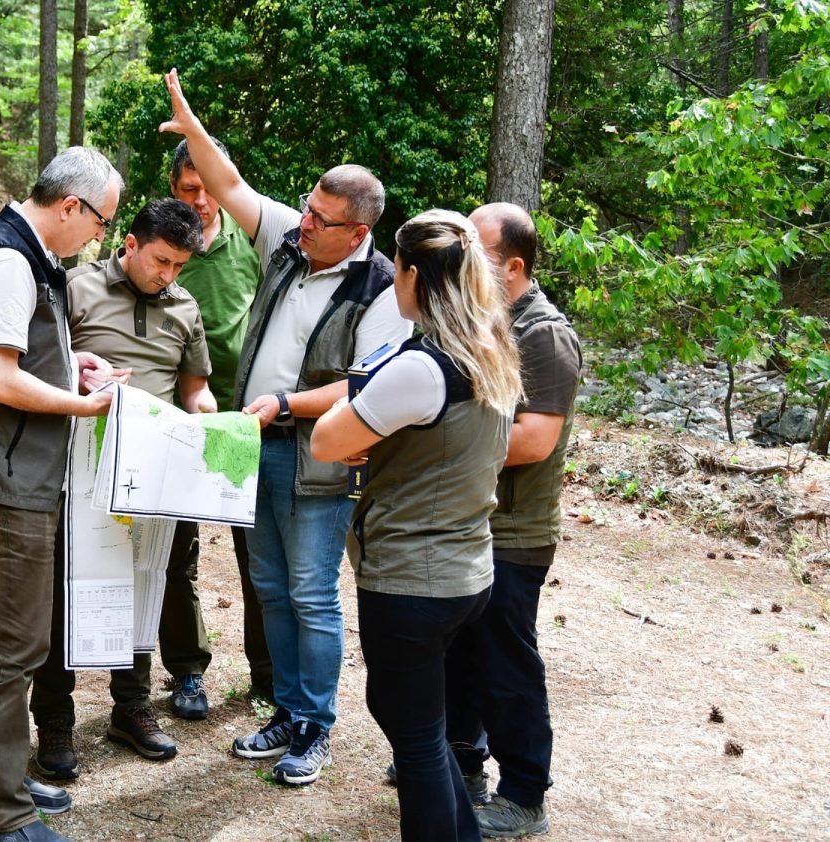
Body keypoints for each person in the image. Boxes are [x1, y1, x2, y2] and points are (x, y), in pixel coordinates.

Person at [160, 69, 412, 786]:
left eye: (322, 219)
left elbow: (368, 387)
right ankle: (287, 708)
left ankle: (316, 727)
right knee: (268, 586)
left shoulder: (382, 290)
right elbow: (231, 184)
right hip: (254, 445)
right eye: (306, 208)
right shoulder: (286, 242)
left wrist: (286, 405)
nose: (305, 222)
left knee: (310, 592)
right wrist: (194, 129)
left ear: (359, 232)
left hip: (320, 458)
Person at [0, 146, 122, 842]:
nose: (100, 235)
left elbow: (23, 356)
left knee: (1, 637)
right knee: (18, 647)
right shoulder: (10, 260)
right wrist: (86, 408)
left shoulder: (29, 257)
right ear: (71, 206)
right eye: (102, 221)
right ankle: (5, 820)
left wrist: (73, 365)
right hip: (5, 482)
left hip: (10, 474)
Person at [310, 209, 522, 841]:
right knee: (420, 728)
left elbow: (326, 439)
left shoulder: (420, 368)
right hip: (465, 568)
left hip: (412, 577)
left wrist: (365, 427)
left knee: (417, 740)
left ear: (410, 275)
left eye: (395, 272)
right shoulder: (490, 350)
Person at [30, 198, 214, 772]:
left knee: (141, 587)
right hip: (76, 468)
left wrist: (210, 428)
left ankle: (130, 709)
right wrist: (82, 377)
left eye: (179, 266)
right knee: (67, 588)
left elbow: (194, 391)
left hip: (153, 475)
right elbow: (38, 368)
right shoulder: (75, 288)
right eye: (160, 260)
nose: (168, 275)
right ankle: (55, 722)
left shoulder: (184, 306)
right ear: (129, 245)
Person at [442, 202, 582, 838]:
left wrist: (439, 448)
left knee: (506, 662)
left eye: (476, 248)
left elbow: (534, 441)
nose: (462, 257)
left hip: (515, 533)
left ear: (514, 266)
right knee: (461, 653)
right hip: (472, 521)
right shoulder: (482, 323)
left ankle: (525, 792)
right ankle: (463, 765)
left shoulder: (543, 334)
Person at [168, 137, 272, 709]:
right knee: (175, 556)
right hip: (177, 421)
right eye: (189, 189)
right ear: (173, 188)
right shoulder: (162, 243)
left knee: (255, 556)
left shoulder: (255, 240)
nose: (201, 201)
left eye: (209, 188)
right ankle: (186, 671)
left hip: (241, 421)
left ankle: (266, 674)